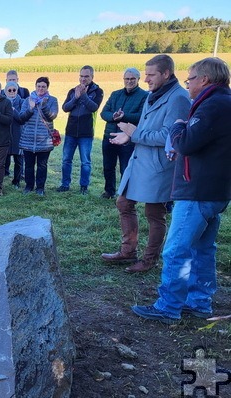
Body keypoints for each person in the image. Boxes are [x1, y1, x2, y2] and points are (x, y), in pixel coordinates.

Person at [132, 57, 231, 324]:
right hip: (216, 190)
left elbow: (185, 141)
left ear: (205, 80)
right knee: (203, 249)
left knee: (176, 250)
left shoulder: (212, 105)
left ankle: (168, 306)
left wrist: (178, 126)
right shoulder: (224, 102)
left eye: (190, 79)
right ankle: (199, 302)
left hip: (198, 190)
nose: (188, 85)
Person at [101, 54, 190, 273]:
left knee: (154, 213)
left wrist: (135, 133)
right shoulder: (155, 93)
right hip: (140, 161)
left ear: (166, 74)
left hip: (159, 166)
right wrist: (128, 136)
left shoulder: (178, 97)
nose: (146, 79)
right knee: (123, 203)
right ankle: (128, 251)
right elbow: (144, 126)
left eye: (150, 74)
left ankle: (149, 260)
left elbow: (170, 136)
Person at [99, 68, 148, 199]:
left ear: (138, 79)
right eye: (127, 79)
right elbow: (104, 113)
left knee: (126, 168)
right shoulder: (115, 94)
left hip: (128, 138)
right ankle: (109, 191)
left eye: (132, 79)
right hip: (109, 135)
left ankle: (125, 194)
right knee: (108, 166)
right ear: (123, 79)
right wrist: (113, 116)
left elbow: (141, 116)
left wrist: (124, 116)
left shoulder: (144, 96)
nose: (129, 81)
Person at [57, 65, 104, 195]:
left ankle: (84, 186)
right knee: (66, 160)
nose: (83, 79)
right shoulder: (73, 91)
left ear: (92, 77)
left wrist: (83, 96)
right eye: (81, 76)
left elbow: (93, 107)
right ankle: (65, 184)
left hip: (86, 132)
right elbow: (65, 108)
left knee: (85, 162)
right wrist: (75, 97)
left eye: (86, 76)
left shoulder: (97, 91)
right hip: (71, 131)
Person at [18, 77, 58, 196]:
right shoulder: (27, 100)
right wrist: (30, 108)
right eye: (39, 86)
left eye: (43, 86)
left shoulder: (52, 100)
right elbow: (21, 118)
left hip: (44, 141)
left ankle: (40, 188)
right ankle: (29, 186)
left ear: (47, 88)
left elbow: (52, 116)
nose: (40, 89)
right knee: (29, 165)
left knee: (42, 165)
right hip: (28, 139)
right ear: (35, 86)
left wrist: (44, 106)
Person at [3, 81, 25, 188]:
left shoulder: (22, 102)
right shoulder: (1, 102)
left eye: (14, 90)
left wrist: (13, 110)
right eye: (9, 90)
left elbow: (22, 119)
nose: (12, 92)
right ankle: (1, 178)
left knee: (18, 160)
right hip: (5, 135)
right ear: (5, 91)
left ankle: (16, 181)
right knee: (3, 159)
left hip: (18, 135)